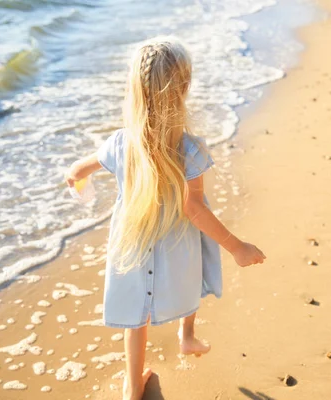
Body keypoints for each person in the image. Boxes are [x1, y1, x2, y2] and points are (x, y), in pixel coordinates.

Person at [64, 37, 266, 400]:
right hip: (177, 243)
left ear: (136, 91)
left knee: (136, 319)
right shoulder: (190, 149)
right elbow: (194, 209)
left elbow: (78, 169)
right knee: (196, 276)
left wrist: (79, 184)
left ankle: (133, 387)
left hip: (134, 243)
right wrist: (237, 247)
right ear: (183, 88)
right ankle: (187, 337)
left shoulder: (121, 143)